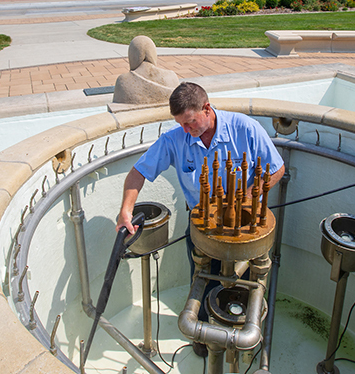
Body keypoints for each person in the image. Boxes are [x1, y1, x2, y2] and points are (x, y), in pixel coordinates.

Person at [115, 82, 285, 355]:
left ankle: (241, 334)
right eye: (181, 124)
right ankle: (203, 337)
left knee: (246, 286)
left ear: (207, 109)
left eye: (190, 122)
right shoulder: (175, 139)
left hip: (244, 228)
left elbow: (276, 168)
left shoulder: (246, 129)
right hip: (202, 229)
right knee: (203, 279)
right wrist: (126, 209)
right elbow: (138, 173)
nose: (186, 130)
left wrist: (249, 197)